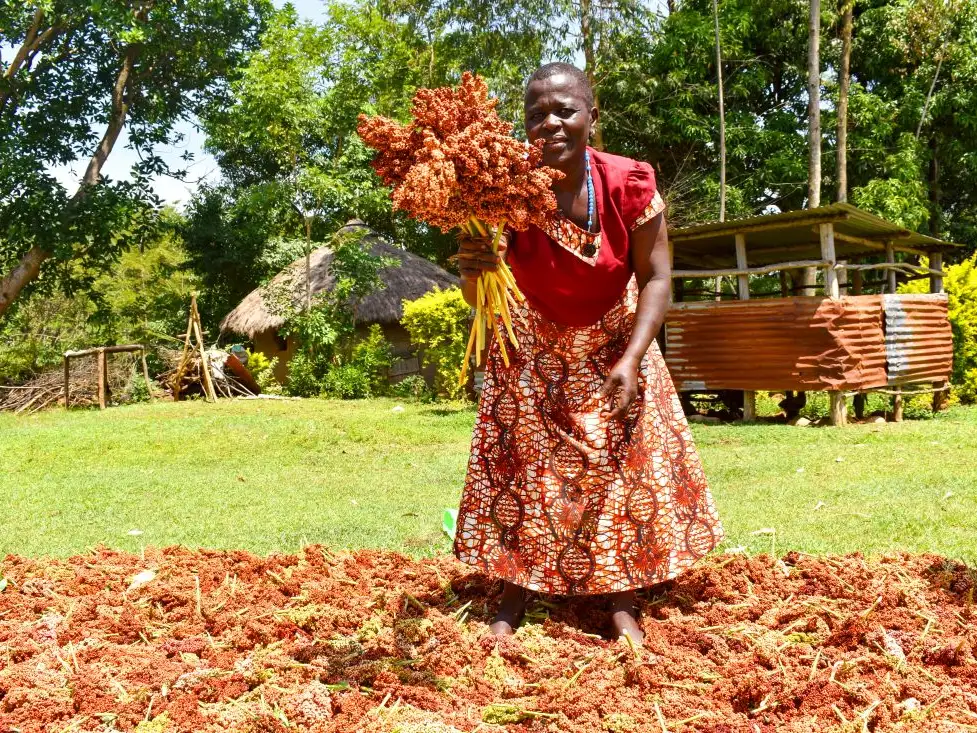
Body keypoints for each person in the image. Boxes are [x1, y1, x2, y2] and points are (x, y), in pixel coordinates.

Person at [453, 62, 723, 644]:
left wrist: (631, 358)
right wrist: (471, 269)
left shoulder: (629, 184)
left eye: (564, 110)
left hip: (616, 341)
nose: (549, 123)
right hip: (533, 345)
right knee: (522, 467)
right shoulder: (501, 191)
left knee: (619, 466)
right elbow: (482, 294)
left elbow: (656, 277)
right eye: (535, 114)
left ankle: (620, 597)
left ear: (591, 117)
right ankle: (515, 591)